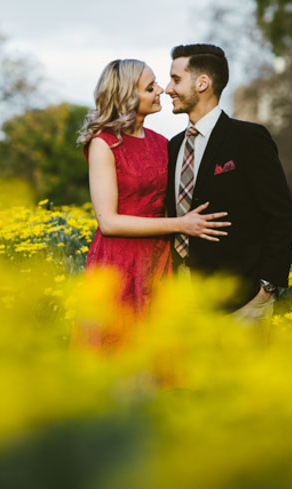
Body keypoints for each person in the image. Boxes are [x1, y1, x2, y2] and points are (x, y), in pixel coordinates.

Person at [74, 59, 231, 349]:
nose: (161, 90)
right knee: (119, 350)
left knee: (159, 353)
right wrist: (181, 225)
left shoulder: (164, 143)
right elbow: (108, 222)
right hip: (119, 263)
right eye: (150, 87)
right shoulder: (103, 144)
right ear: (127, 96)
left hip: (161, 261)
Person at [164, 44, 292, 321]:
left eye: (176, 79)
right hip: (182, 302)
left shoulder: (249, 139)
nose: (168, 89)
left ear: (202, 83)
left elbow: (281, 215)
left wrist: (266, 289)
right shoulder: (174, 147)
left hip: (242, 305)